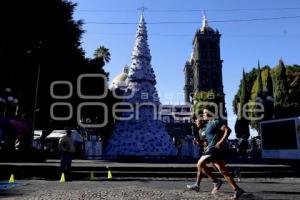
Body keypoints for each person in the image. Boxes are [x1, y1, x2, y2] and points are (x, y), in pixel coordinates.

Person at [187, 108, 244, 199]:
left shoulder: (216, 122)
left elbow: (228, 130)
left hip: (212, 149)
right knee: (223, 171)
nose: (204, 115)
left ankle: (211, 182)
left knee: (200, 164)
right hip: (211, 149)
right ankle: (237, 189)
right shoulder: (208, 124)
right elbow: (207, 139)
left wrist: (221, 141)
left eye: (205, 113)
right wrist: (199, 142)